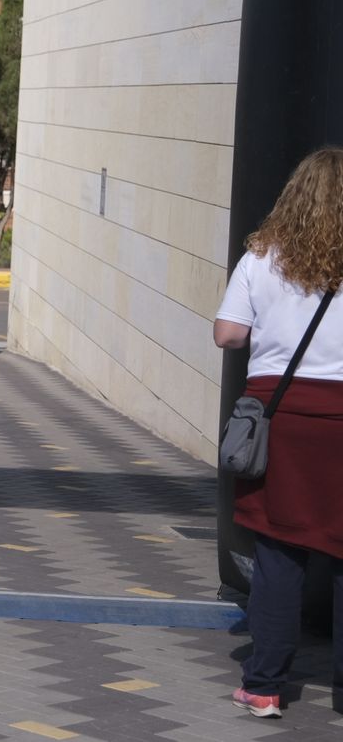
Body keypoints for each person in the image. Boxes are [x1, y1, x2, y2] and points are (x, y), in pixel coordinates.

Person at [213, 148, 343, 720]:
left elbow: (228, 335)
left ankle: (264, 686)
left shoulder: (262, 258)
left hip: (281, 418)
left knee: (278, 554)